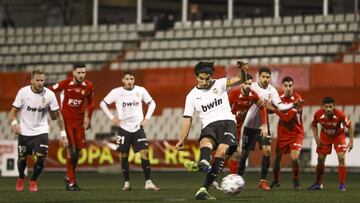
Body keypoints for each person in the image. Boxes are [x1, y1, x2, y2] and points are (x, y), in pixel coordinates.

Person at [175, 60, 247, 200]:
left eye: (207, 78)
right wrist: (181, 139)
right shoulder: (191, 96)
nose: (204, 81)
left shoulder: (220, 83)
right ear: (196, 77)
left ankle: (203, 187)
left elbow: (240, 79)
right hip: (209, 125)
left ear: (211, 76)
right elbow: (187, 119)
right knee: (205, 142)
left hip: (227, 122)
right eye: (201, 78)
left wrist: (242, 69)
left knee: (221, 151)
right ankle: (204, 163)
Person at [239, 67, 302, 191]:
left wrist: (292, 105)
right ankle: (238, 179)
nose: (266, 79)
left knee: (267, 151)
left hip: (264, 125)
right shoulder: (252, 87)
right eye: (263, 76)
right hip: (249, 125)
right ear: (259, 76)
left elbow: (279, 106)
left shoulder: (272, 90)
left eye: (268, 77)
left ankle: (263, 180)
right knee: (244, 154)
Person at [100, 70, 160, 191]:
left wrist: (147, 118)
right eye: (127, 79)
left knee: (144, 152)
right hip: (124, 128)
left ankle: (148, 182)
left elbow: (152, 103)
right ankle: (127, 183)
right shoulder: (116, 92)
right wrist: (112, 118)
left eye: (132, 79)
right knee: (124, 154)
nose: (129, 81)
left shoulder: (141, 90)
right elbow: (102, 103)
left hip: (138, 127)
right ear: (123, 80)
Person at [9, 69, 68, 192]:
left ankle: (33, 181)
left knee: (41, 159)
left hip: (41, 131)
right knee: (22, 159)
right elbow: (13, 112)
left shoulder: (49, 95)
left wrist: (63, 134)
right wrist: (14, 123)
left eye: (42, 80)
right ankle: (21, 178)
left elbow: (58, 115)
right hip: (24, 132)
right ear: (31, 80)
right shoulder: (23, 92)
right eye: (37, 80)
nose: (40, 83)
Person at [49, 63, 94, 191]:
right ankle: (71, 182)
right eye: (79, 73)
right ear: (74, 72)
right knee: (71, 151)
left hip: (79, 123)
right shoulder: (65, 83)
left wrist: (88, 117)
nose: (81, 75)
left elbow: (91, 103)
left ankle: (69, 176)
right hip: (66, 122)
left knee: (77, 153)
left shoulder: (88, 85)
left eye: (83, 73)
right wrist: (52, 109)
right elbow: (49, 91)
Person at [265, 76, 304, 190]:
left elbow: (287, 118)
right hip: (282, 133)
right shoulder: (279, 98)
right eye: (286, 86)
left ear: (293, 86)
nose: (288, 88)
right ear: (282, 87)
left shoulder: (297, 99)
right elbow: (270, 110)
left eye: (290, 86)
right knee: (277, 160)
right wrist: (269, 107)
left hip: (296, 133)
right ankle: (276, 181)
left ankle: (296, 180)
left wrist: (274, 109)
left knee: (294, 157)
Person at [308, 96, 354, 191]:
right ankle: (318, 183)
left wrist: (351, 141)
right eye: (326, 107)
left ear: (334, 106)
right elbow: (313, 125)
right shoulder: (318, 114)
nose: (328, 109)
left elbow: (350, 126)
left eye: (331, 106)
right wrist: (317, 138)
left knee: (341, 157)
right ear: (323, 107)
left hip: (339, 136)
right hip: (325, 136)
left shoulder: (340, 114)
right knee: (320, 159)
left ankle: (342, 184)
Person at [227, 74, 268, 174]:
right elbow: (223, 110)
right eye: (245, 83)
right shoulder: (233, 95)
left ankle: (227, 177)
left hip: (238, 128)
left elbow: (262, 108)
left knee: (231, 154)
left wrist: (264, 125)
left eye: (250, 84)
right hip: (227, 126)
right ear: (241, 84)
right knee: (234, 152)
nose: (248, 86)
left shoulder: (253, 95)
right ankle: (228, 178)